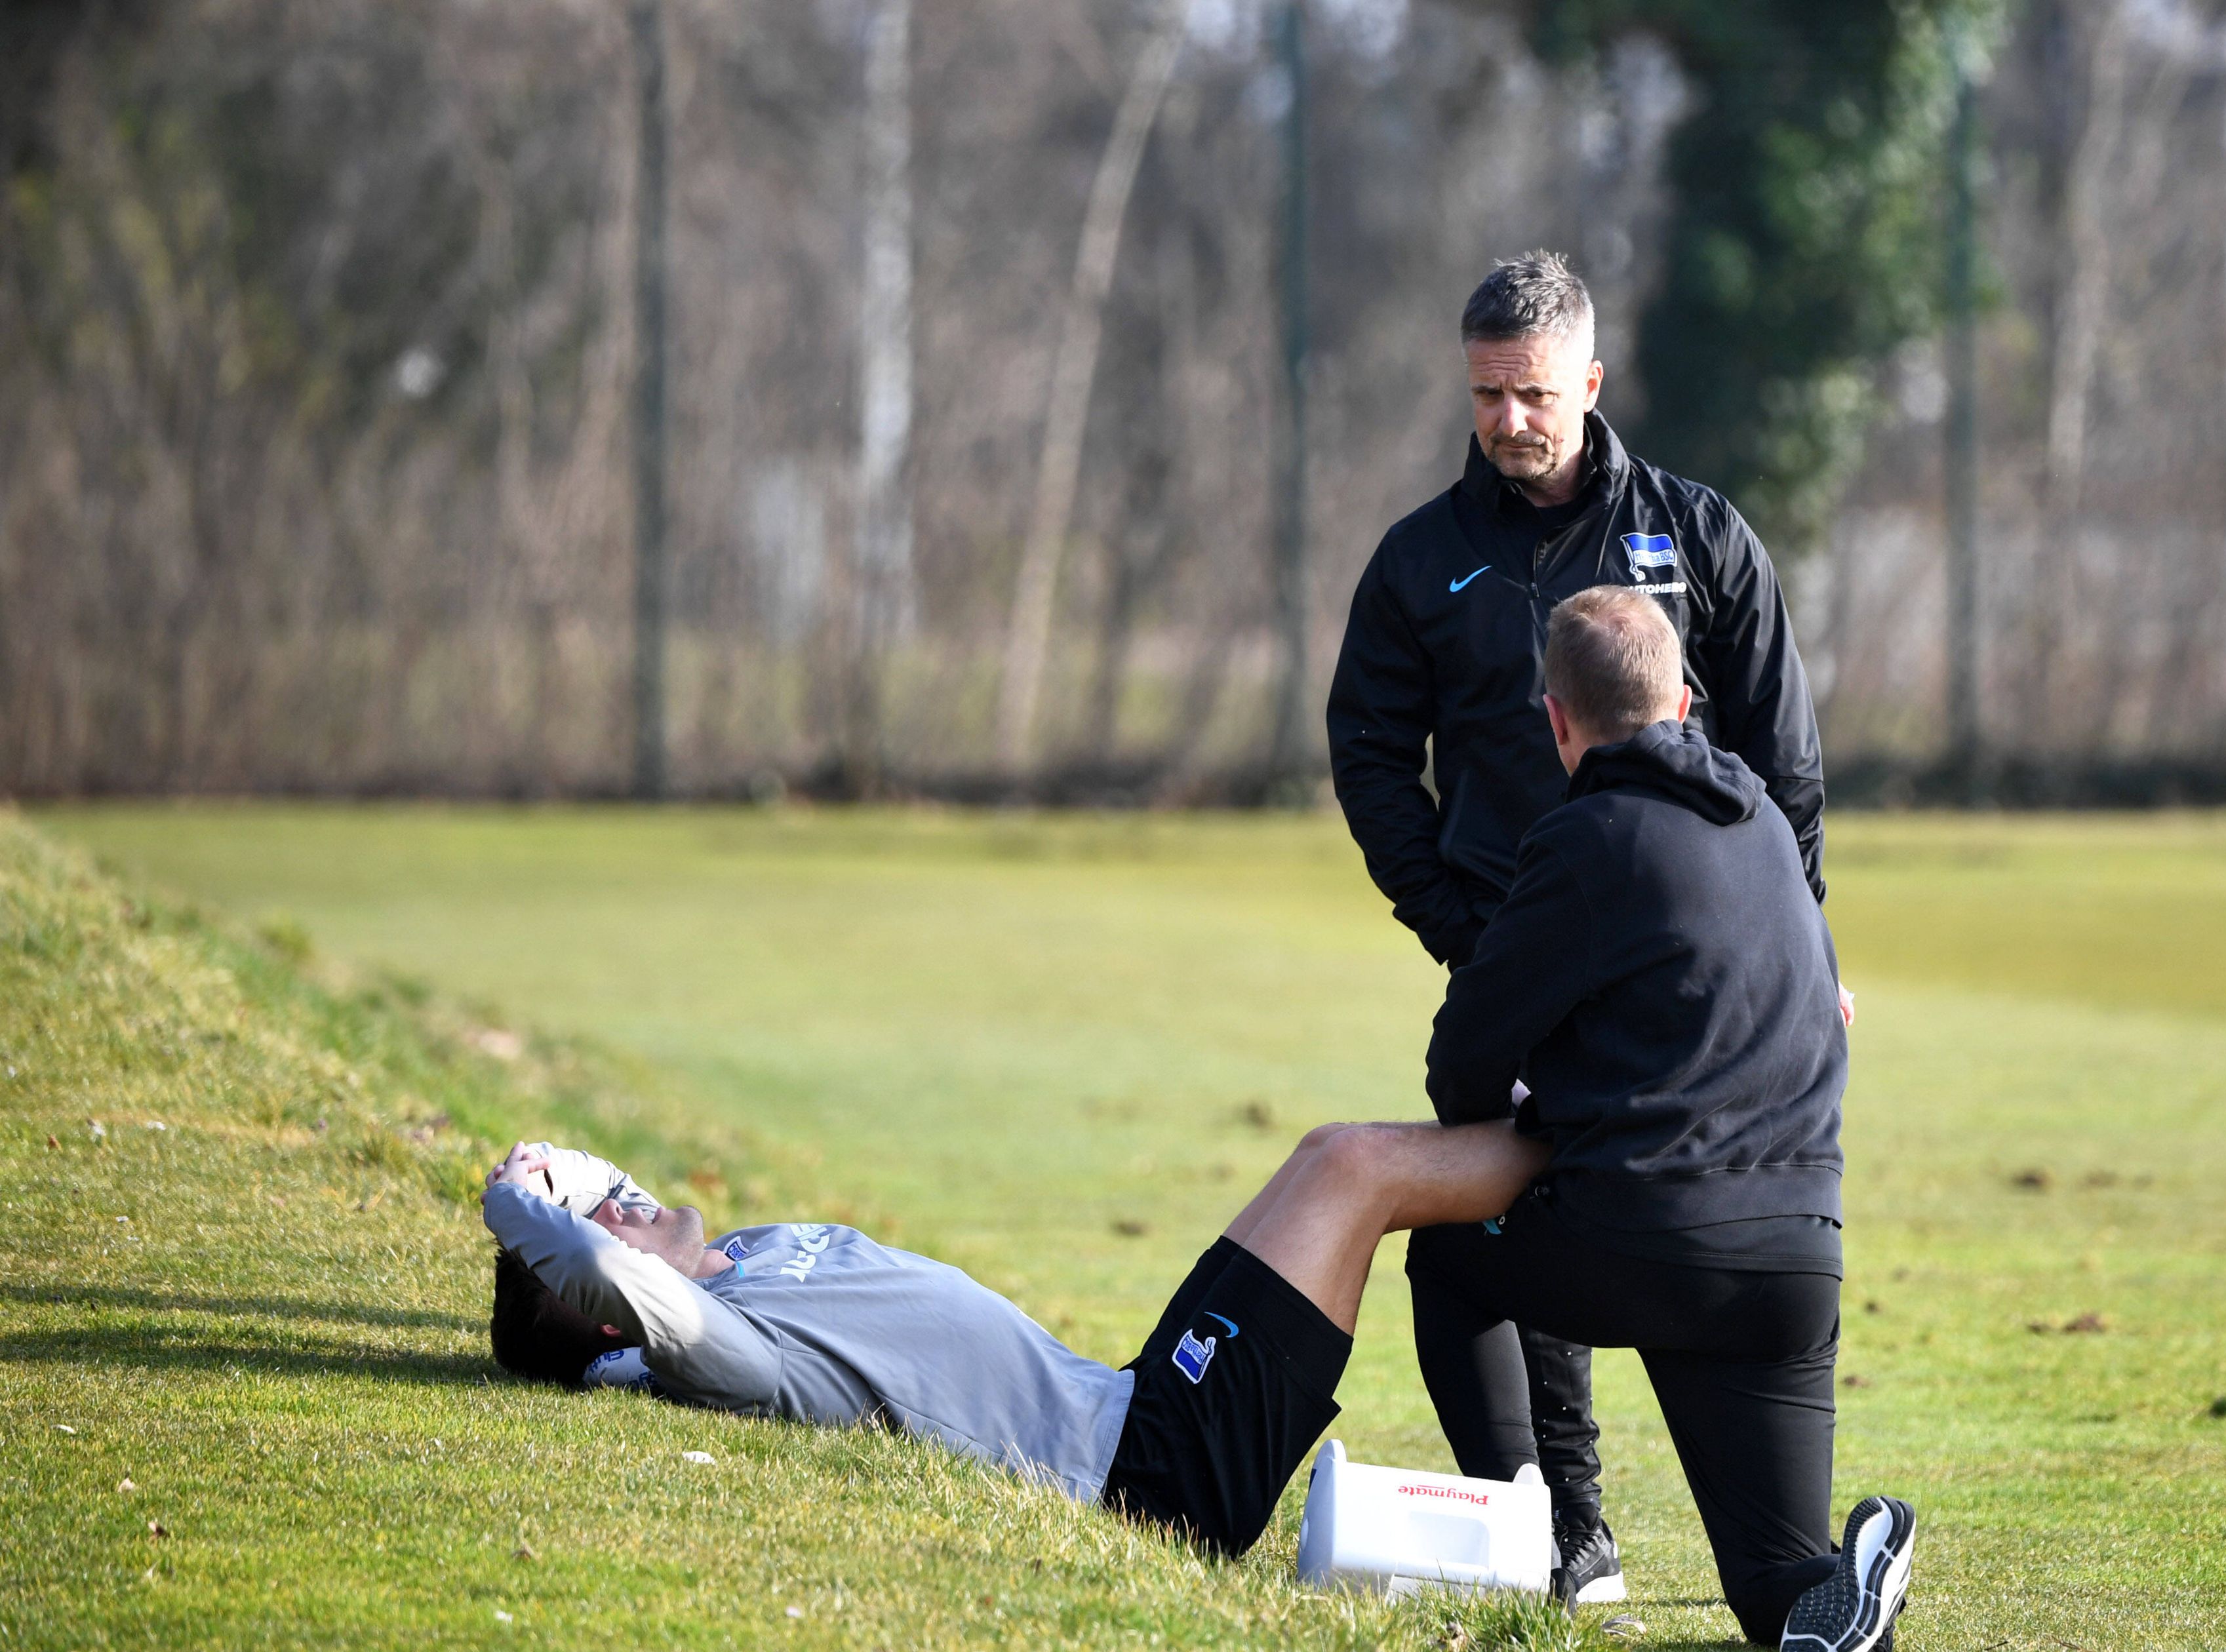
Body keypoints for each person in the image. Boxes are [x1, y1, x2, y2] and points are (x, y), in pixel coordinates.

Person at [1326, 248, 1844, 1603]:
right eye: (1487, 394)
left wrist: (1802, 950)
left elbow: (1784, 760)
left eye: (1533, 393)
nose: (1507, 420)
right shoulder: (1422, 560)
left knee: (1652, 1198)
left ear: (1591, 384)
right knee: (1513, 1190)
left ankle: (1740, 1535)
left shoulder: (1699, 534)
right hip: (1519, 946)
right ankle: (1568, 1537)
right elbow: (1368, 751)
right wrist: (1450, 917)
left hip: (1691, 974)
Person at [1403, 587, 1911, 1650]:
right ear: (1685, 699)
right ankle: (1844, 1593)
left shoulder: (1588, 838)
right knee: (1775, 1587)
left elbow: (1464, 1062)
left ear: (1557, 719)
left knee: (1452, 1252)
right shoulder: (1771, 826)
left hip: (1650, 1237)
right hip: (1796, 1259)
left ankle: (1534, 1554)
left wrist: (1529, 1137)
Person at [480, 1122, 1547, 1562]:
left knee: (1329, 1154)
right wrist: (509, 1201)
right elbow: (615, 1272)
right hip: (1155, 1483)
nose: (614, 1204)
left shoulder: (739, 1262)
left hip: (1137, 1405)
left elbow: (627, 1236)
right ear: (612, 1312)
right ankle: (1612, 1143)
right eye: (590, 1220)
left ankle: (1583, 1140)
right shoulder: (732, 1354)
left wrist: (559, 1174)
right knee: (1365, 1174)